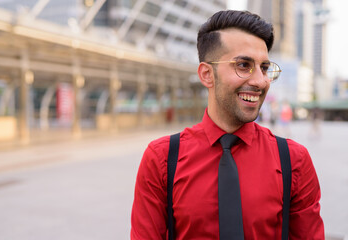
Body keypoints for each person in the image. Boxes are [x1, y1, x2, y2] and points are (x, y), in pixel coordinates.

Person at [131, 10, 324, 239]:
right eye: (243, 65)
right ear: (206, 74)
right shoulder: (162, 159)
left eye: (264, 68)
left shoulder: (294, 161)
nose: (260, 81)